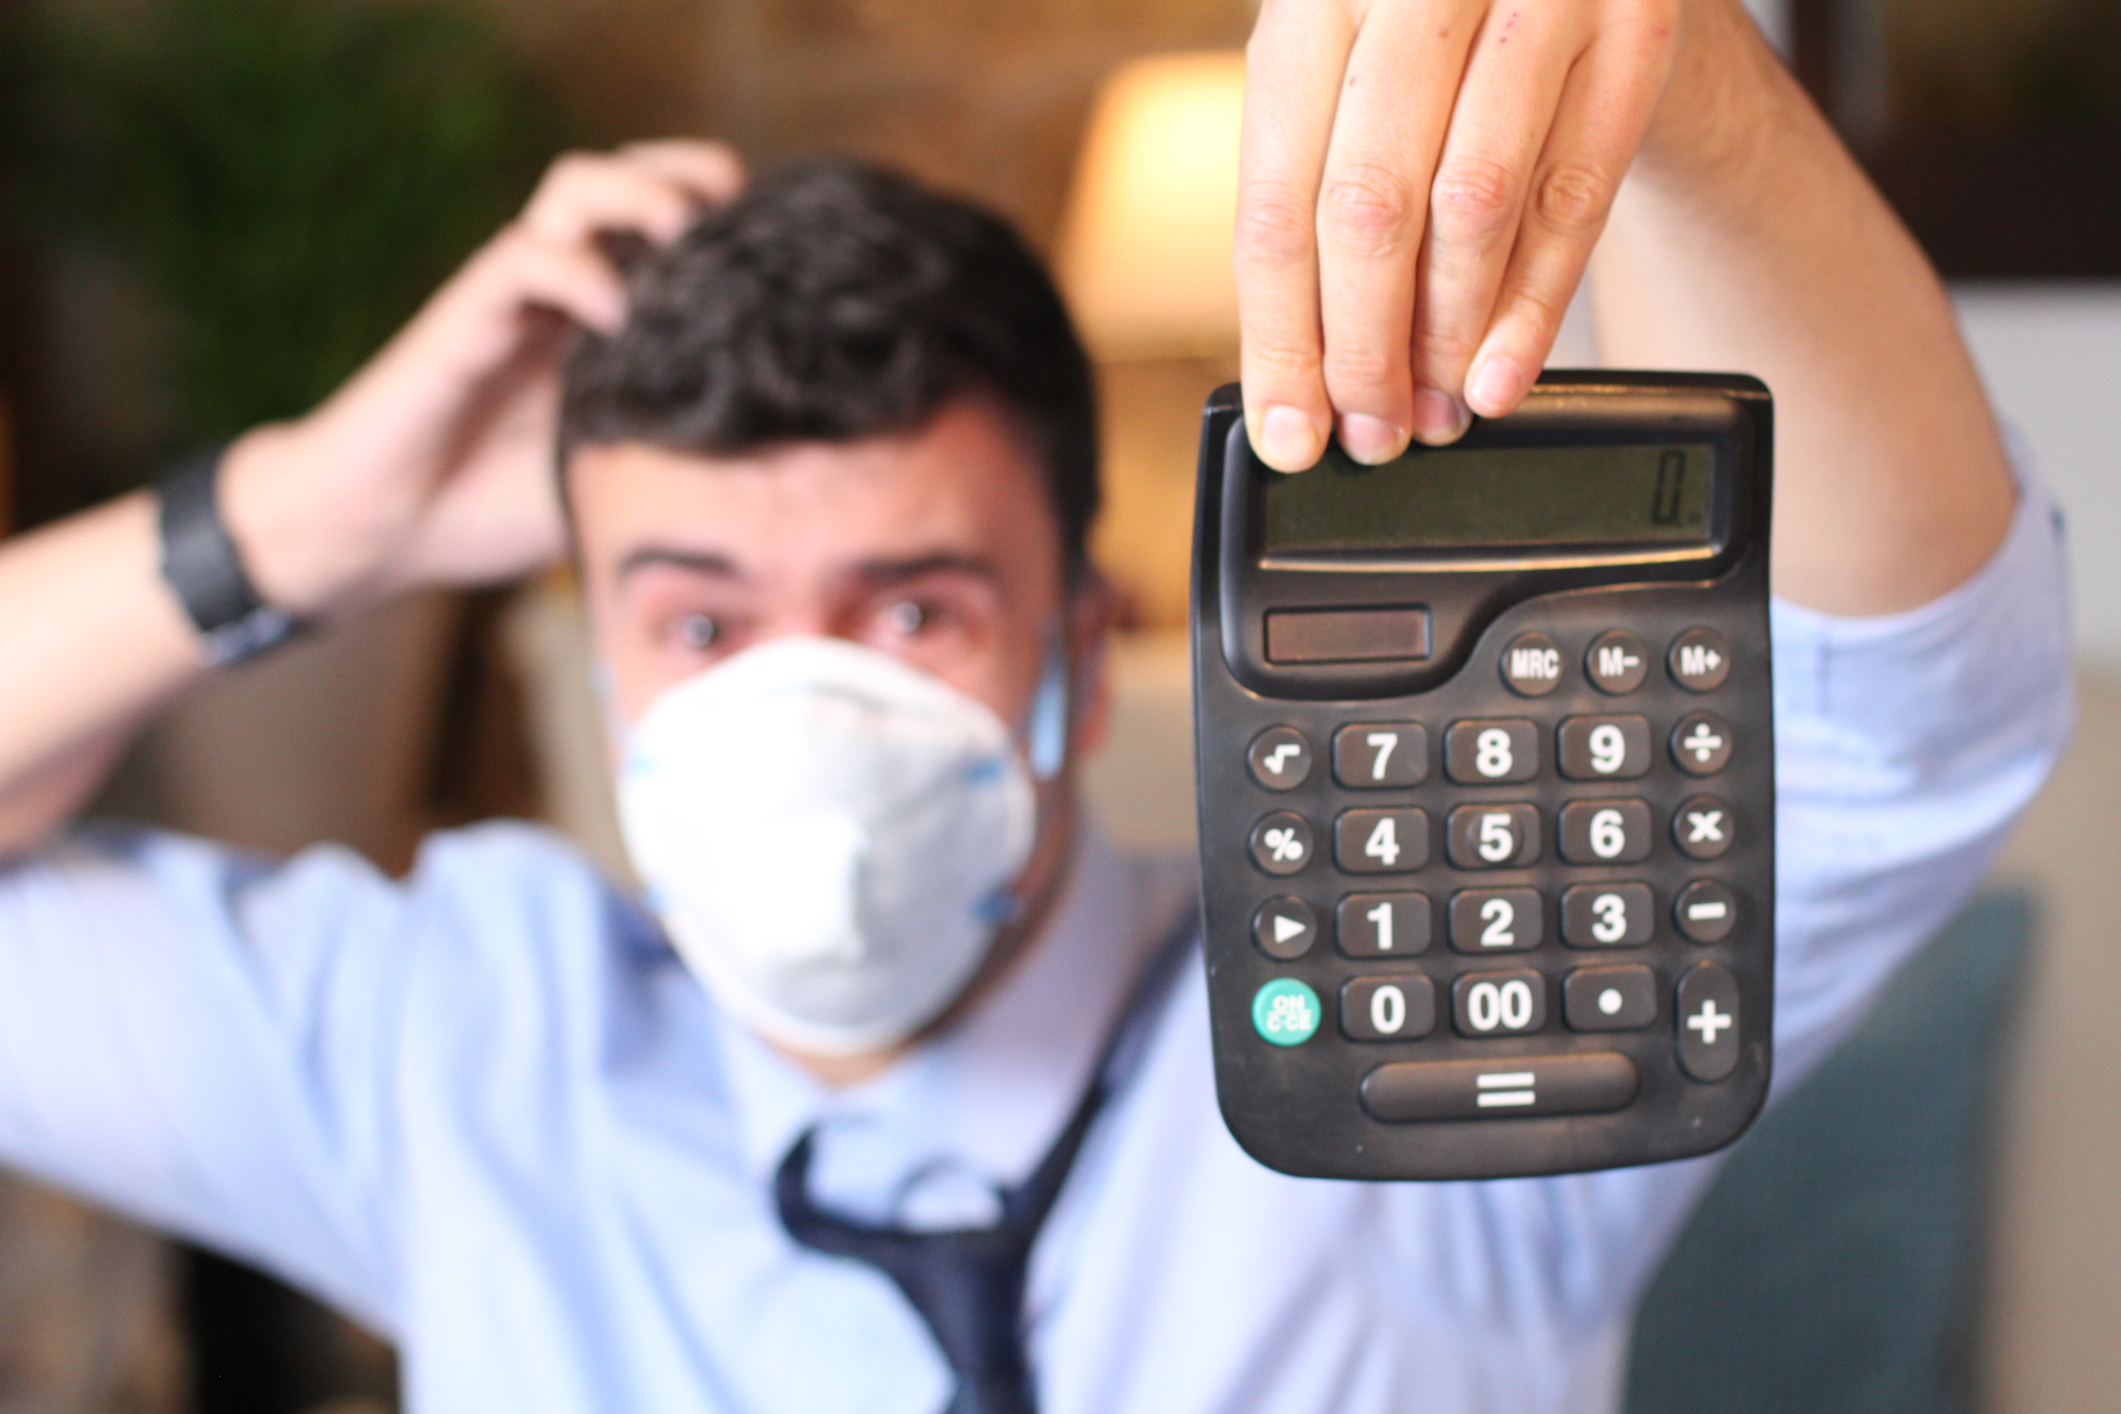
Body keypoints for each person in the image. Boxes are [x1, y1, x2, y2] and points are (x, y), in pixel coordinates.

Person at [0, 0, 2069, 1409]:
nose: (800, 699)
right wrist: (300, 518)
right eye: (701, 620)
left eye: (910, 604)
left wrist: (1679, 77)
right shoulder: (452, 1041)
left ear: (1081, 652)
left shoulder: (1411, 1017)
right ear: (602, 657)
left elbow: (1913, 696)